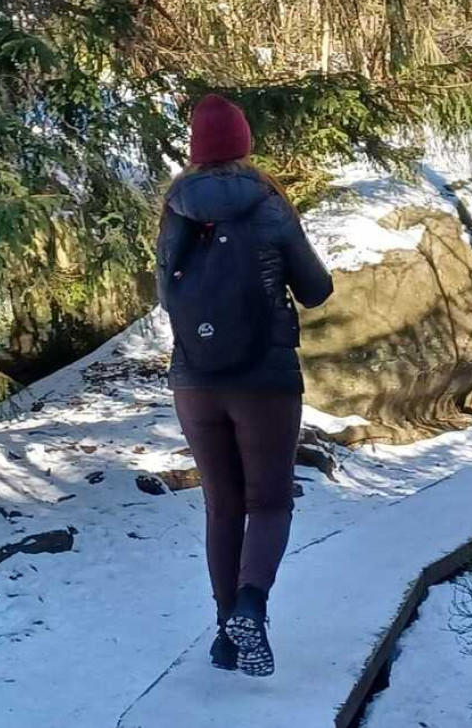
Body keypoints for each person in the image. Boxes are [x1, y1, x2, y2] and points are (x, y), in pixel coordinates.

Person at [156, 94, 333, 677]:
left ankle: (224, 637)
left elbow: (166, 296)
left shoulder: (175, 207)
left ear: (195, 150)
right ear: (244, 142)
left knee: (222, 505)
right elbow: (315, 289)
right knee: (270, 501)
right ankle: (251, 607)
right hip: (266, 376)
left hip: (195, 378)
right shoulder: (269, 203)